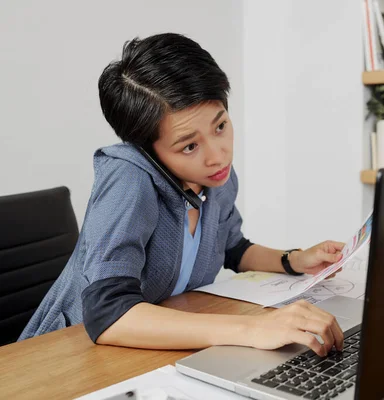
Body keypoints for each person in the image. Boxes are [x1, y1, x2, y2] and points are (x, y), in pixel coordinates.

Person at [19, 33, 345, 357]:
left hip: (148, 352)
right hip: (63, 358)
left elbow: (231, 246)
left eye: (220, 126)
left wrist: (295, 260)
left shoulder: (214, 177)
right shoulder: (128, 180)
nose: (218, 155)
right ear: (148, 150)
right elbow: (109, 312)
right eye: (190, 145)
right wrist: (254, 329)